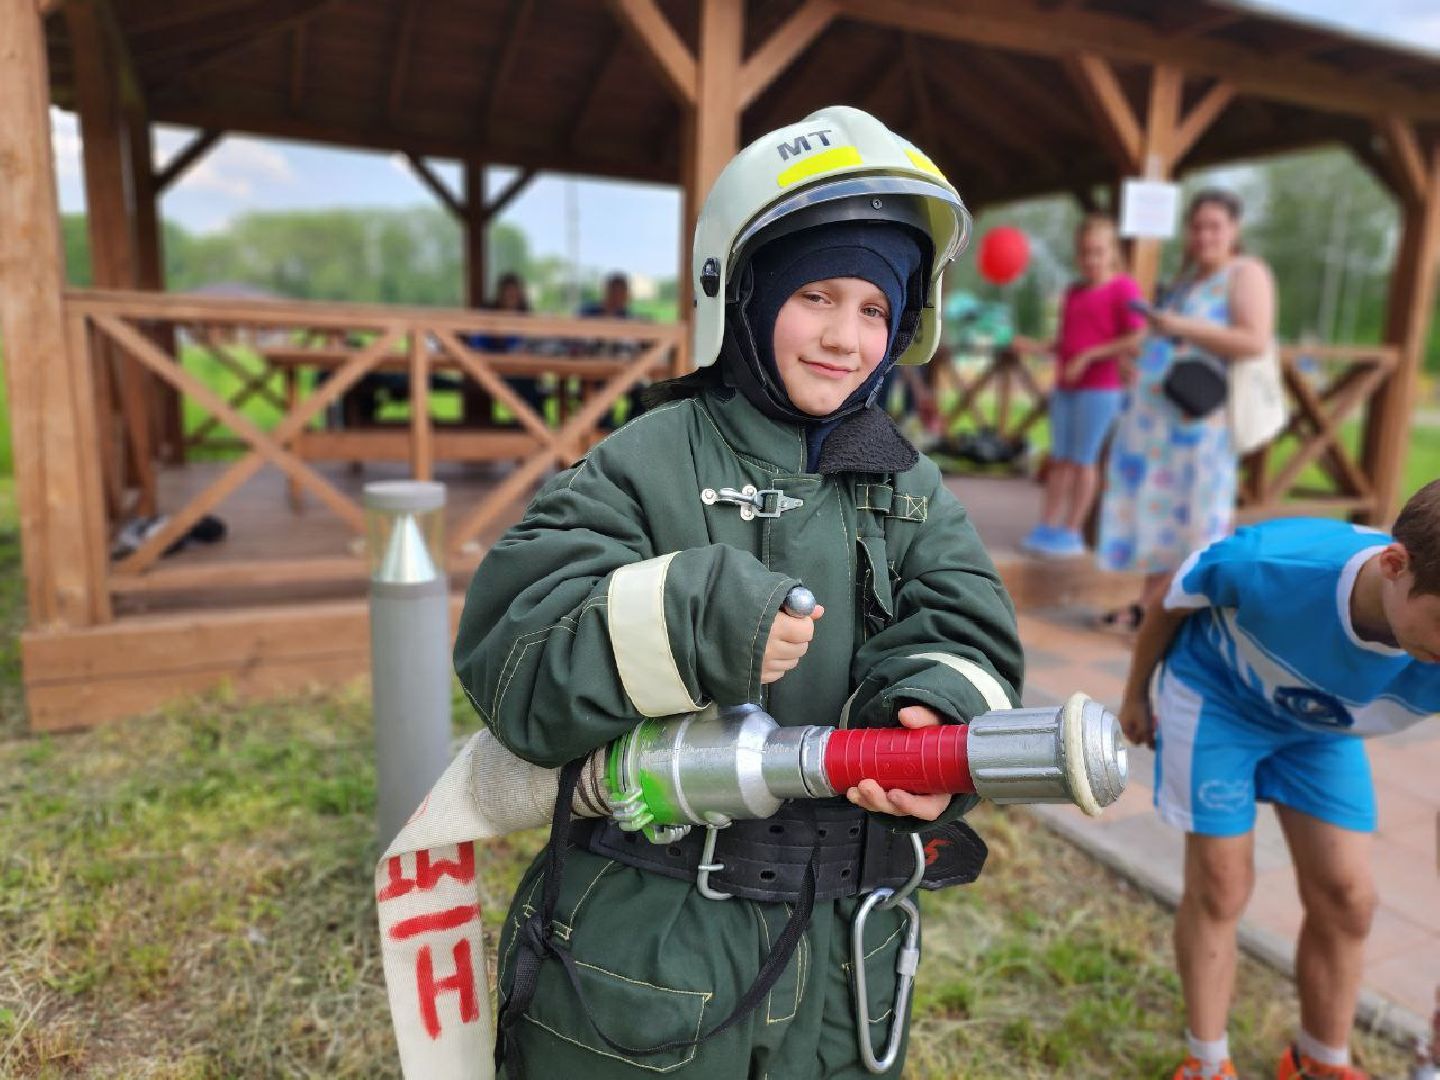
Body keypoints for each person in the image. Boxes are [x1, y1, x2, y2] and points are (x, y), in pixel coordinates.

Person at [452, 106, 1023, 1078]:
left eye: (876, 309)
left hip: (850, 962)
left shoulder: (908, 485)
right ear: (744, 292)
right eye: (818, 295)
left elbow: (969, 627)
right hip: (646, 953)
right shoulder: (648, 459)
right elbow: (516, 657)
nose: (847, 337)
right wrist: (692, 620)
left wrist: (937, 711)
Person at [1117, 480, 1440, 1080]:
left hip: (1321, 732)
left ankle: (1320, 1061)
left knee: (1348, 896)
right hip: (1221, 697)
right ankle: (1206, 1062)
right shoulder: (1274, 562)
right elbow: (1171, 596)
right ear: (1396, 565)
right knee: (1221, 881)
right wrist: (1136, 691)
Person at [1095, 189, 1276, 630]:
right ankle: (1149, 604)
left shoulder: (1244, 273)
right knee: (1161, 520)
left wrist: (1180, 326)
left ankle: (1177, 614)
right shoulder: (1188, 278)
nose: (1204, 236)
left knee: (1196, 519)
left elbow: (1254, 339)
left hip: (1199, 424)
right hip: (1157, 424)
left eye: (1214, 226)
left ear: (1234, 230)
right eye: (1197, 226)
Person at [1013, 214, 1146, 557]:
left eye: (1099, 252)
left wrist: (1089, 357)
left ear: (1112, 252)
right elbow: (1066, 343)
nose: (1091, 260)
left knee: (1083, 460)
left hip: (1101, 389)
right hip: (1066, 388)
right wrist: (1035, 347)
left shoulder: (1123, 288)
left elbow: (1137, 336)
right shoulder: (1073, 291)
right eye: (1085, 253)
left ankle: (1071, 531)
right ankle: (1047, 526)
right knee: (1060, 460)